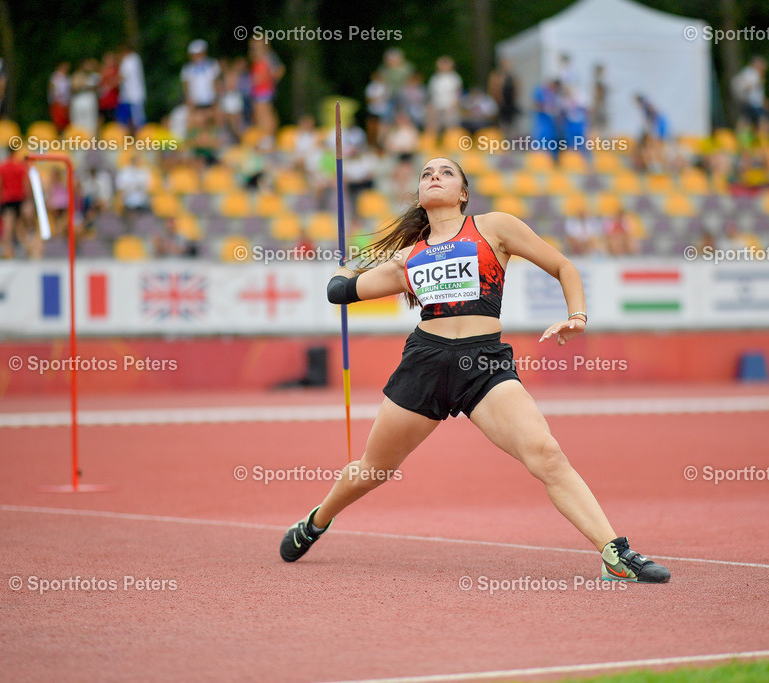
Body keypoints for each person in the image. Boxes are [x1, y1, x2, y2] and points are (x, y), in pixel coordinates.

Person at [278, 157, 670, 584]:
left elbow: (564, 267)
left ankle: (615, 554)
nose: (434, 177)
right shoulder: (408, 258)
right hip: (425, 364)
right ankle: (317, 520)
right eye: (427, 174)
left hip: (483, 363)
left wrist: (577, 315)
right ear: (420, 196)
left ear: (463, 193)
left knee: (547, 454)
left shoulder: (494, 227)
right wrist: (342, 270)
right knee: (373, 470)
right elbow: (343, 293)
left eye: (446, 172)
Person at [248, 37, 284, 139]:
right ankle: (264, 136)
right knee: (259, 113)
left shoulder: (269, 56)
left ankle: (270, 137)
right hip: (257, 89)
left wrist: (269, 78)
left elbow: (279, 70)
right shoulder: (256, 57)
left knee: (266, 113)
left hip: (265, 89)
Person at [181, 40, 221, 125]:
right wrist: (188, 100)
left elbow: (216, 82)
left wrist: (217, 99)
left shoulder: (212, 64)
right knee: (196, 123)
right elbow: (185, 85)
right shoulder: (187, 68)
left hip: (211, 101)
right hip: (196, 103)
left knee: (213, 123)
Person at [731, 56, 769, 144]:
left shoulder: (749, 73)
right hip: (751, 103)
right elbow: (745, 87)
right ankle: (761, 141)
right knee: (759, 122)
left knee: (747, 122)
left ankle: (745, 141)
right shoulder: (752, 74)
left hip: (751, 103)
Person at [427, 55, 463, 136]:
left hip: (450, 106)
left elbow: (458, 93)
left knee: (451, 127)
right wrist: (430, 105)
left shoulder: (455, 78)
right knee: (434, 127)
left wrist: (455, 104)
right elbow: (431, 93)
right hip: (436, 105)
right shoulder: (435, 78)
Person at [117, 44, 146, 132]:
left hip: (133, 97)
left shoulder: (129, 60)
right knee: (133, 121)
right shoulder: (136, 59)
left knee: (136, 121)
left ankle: (140, 140)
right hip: (132, 96)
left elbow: (121, 76)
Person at [487, 58, 519, 137]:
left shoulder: (512, 77)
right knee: (501, 124)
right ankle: (501, 140)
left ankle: (509, 141)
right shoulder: (496, 76)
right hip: (500, 104)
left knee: (510, 124)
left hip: (510, 104)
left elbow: (516, 90)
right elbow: (492, 89)